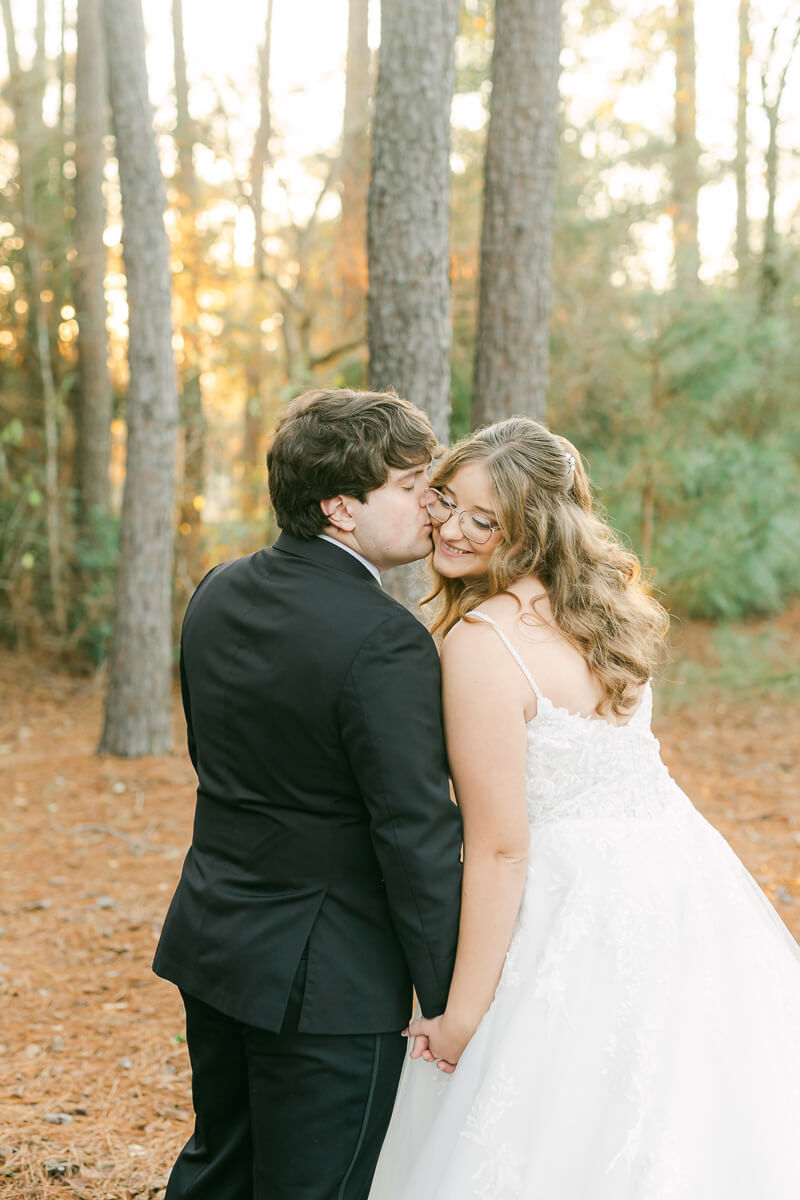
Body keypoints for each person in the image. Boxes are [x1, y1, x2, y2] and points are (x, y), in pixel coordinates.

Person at [369, 416, 800, 1200]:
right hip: (678, 880)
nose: (453, 530)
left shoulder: (482, 642)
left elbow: (501, 847)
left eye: (484, 520)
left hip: (574, 904)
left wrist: (462, 1018)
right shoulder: (608, 615)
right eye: (446, 502)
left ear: (529, 531)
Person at [153, 388, 463, 1200]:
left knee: (219, 1168)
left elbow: (216, 760)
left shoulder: (218, 590)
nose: (430, 506)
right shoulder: (385, 640)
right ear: (341, 509)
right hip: (330, 979)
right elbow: (413, 831)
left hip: (214, 942)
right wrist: (447, 994)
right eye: (409, 486)